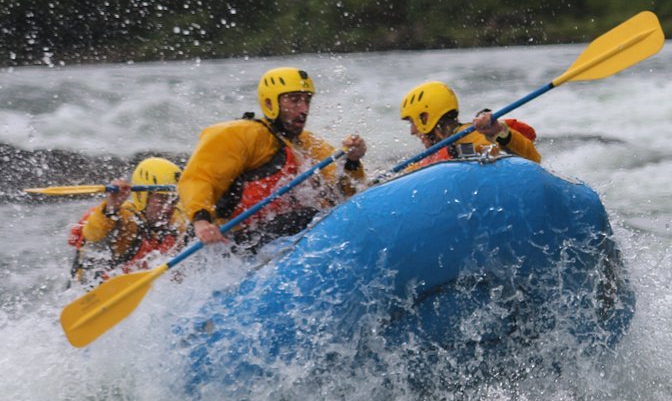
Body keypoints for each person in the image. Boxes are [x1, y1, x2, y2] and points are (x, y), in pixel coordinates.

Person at [177, 67, 368, 253]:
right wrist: (201, 221)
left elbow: (343, 193)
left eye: (307, 100)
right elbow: (199, 178)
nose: (303, 109)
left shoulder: (309, 144)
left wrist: (351, 161)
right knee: (307, 216)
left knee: (319, 214)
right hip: (230, 242)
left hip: (276, 234)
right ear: (270, 104)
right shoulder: (241, 134)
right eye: (294, 101)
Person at [67, 157, 188, 286]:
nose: (168, 207)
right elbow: (92, 234)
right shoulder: (126, 218)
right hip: (91, 290)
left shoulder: (176, 221)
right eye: (161, 200)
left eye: (173, 200)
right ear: (142, 197)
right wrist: (112, 206)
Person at [399, 81, 541, 170]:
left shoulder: (470, 136)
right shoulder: (444, 148)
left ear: (425, 117)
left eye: (412, 122)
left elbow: (533, 159)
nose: (412, 131)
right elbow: (413, 171)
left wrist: (498, 132)